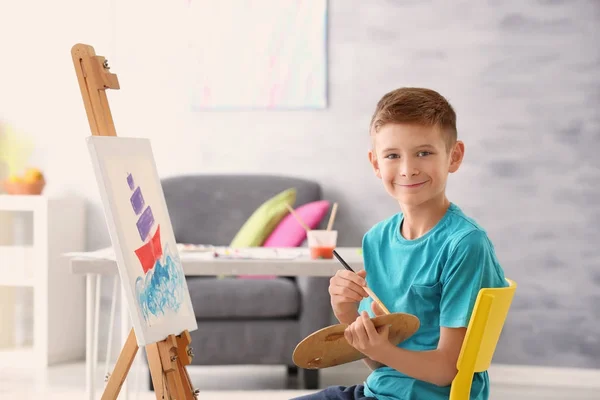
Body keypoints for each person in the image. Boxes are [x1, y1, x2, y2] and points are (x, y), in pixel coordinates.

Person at [291, 88, 507, 400]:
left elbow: (448, 370)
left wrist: (384, 351)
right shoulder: (377, 240)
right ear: (376, 163)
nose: (407, 169)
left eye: (424, 152)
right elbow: (378, 361)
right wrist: (346, 313)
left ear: (454, 156)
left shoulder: (464, 245)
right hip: (377, 392)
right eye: (392, 155)